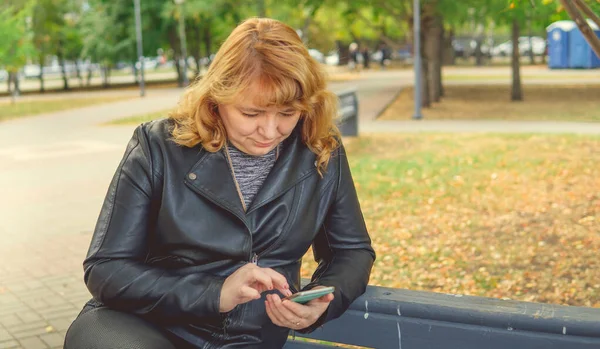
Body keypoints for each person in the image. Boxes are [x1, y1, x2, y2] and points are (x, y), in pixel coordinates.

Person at [64, 18, 375, 349]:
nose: (270, 131)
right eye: (252, 114)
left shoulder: (320, 148)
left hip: (249, 338)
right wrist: (215, 294)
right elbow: (106, 268)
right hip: (139, 326)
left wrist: (324, 300)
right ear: (216, 100)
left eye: (287, 113)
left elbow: (351, 251)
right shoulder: (157, 146)